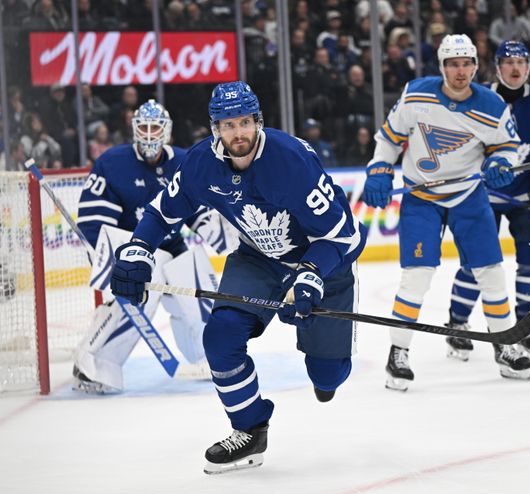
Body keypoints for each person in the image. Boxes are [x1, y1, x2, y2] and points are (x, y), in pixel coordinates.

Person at [109, 81, 367, 474]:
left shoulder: (291, 161)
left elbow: (343, 236)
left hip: (319, 262)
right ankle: (249, 431)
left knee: (327, 378)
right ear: (215, 128)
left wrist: (312, 274)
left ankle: (329, 360)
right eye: (228, 125)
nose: (238, 133)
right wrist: (138, 248)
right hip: (258, 260)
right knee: (221, 334)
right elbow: (162, 211)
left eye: (245, 122)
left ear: (258, 121)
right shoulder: (201, 163)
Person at [363, 34, 530, 392]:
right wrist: (380, 167)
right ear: (441, 67)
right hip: (420, 196)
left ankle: (503, 343)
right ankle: (398, 352)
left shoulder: (492, 105)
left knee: (490, 272)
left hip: (467, 196)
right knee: (416, 276)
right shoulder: (416, 94)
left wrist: (501, 162)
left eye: (467, 63)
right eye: (453, 64)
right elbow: (390, 137)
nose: (461, 71)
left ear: (475, 66)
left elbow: (507, 146)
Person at [72, 99, 235, 394]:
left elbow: (202, 210)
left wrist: (230, 245)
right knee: (142, 289)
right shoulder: (112, 163)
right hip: (130, 252)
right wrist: (109, 263)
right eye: (144, 127)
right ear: (134, 130)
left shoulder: (184, 161)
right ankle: (94, 364)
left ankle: (209, 355)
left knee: (197, 274)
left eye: (155, 127)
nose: (149, 134)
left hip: (172, 247)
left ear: (167, 131)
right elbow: (94, 221)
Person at [443, 41, 530, 364]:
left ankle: (525, 325)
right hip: (481, 196)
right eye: (507, 62)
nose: (515, 68)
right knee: (476, 262)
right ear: (496, 67)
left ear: (529, 68)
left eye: (521, 62)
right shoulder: (477, 100)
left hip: (525, 197)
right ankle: (457, 322)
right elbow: (460, 149)